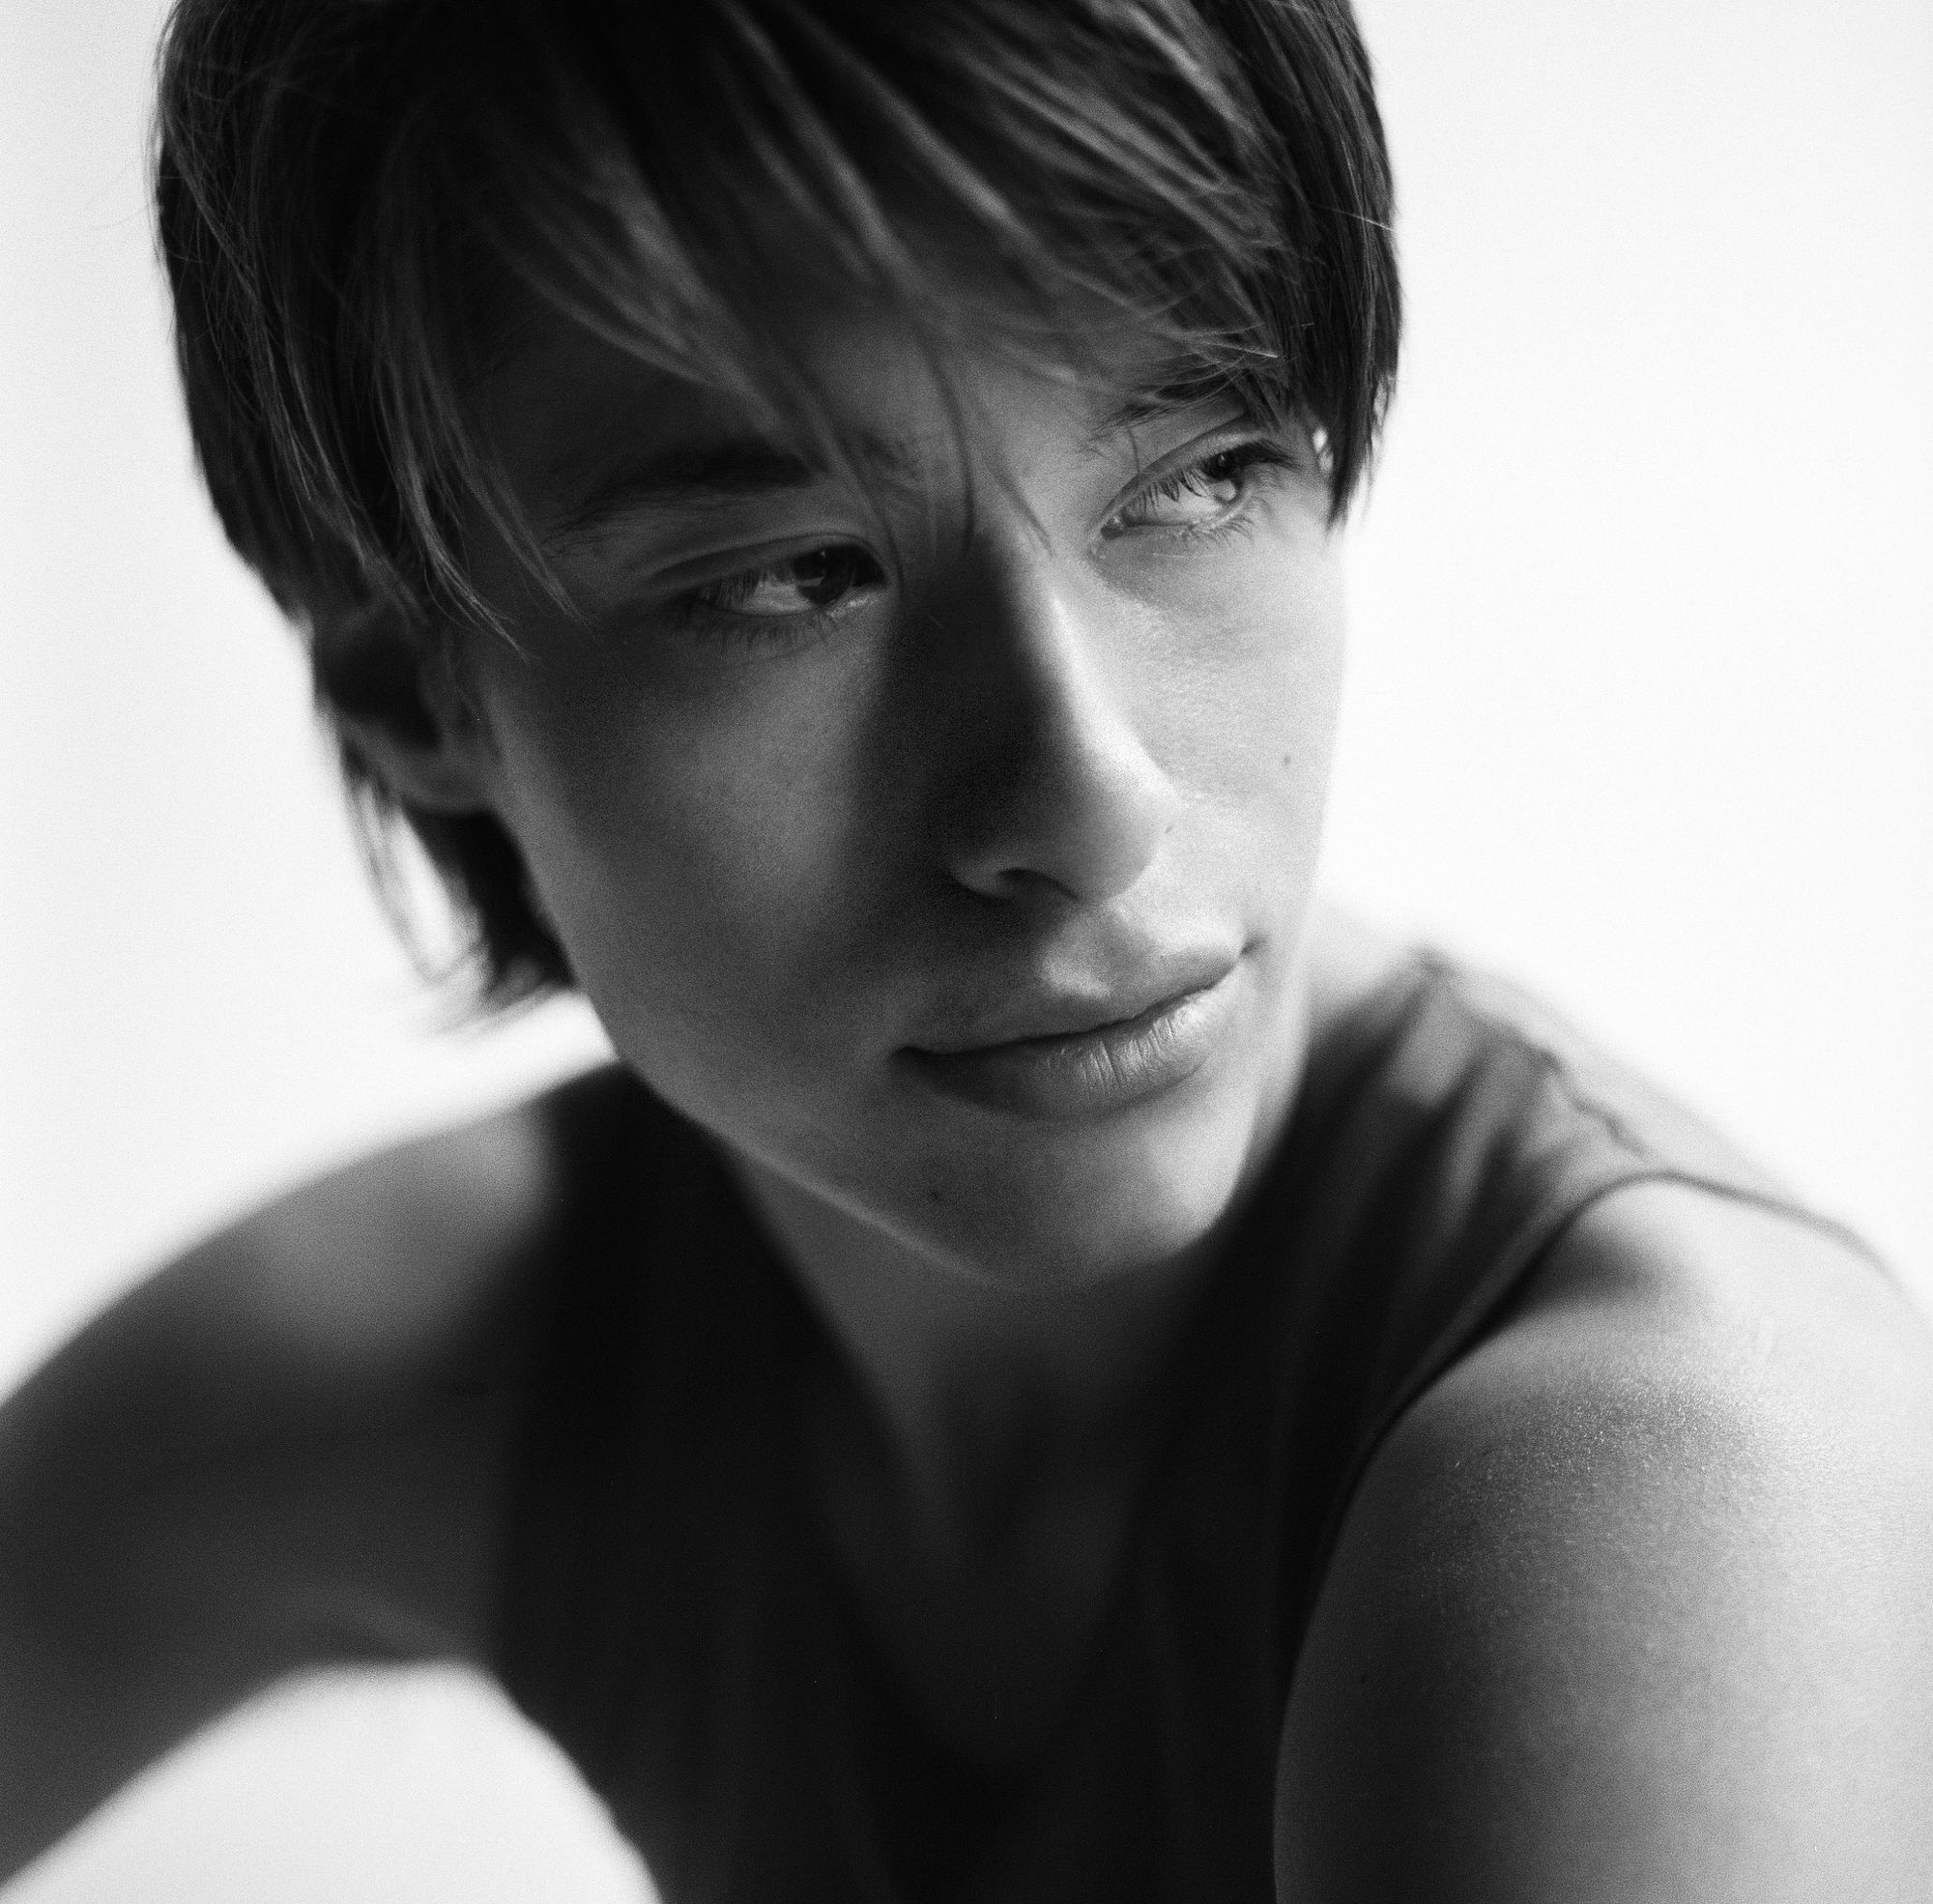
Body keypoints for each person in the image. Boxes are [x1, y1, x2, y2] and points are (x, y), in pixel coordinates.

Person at [3, 0, 1930, 1896]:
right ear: (413, 682)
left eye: (1203, 472)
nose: (1090, 802)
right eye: (794, 576)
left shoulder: (1671, 1497)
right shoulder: (484, 1346)